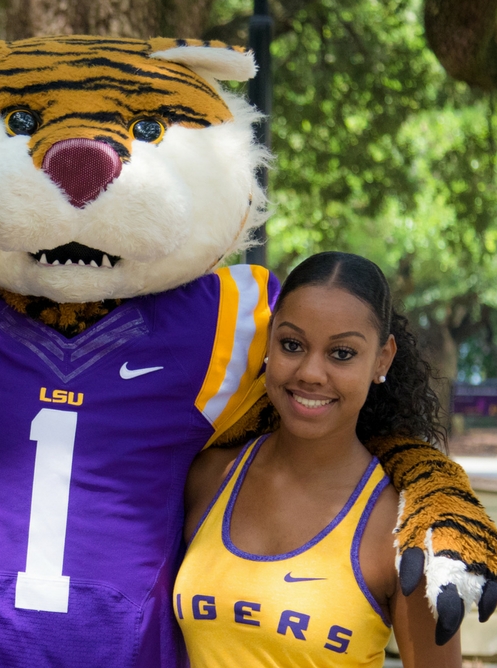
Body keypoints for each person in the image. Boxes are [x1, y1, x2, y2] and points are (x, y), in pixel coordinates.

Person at [174, 252, 461, 667]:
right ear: (270, 340)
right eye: (292, 344)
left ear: (382, 359)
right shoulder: (208, 476)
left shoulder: (404, 530)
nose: (310, 372)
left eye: (342, 353)